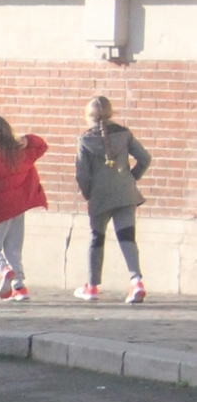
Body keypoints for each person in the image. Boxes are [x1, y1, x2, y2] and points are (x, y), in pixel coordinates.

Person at [75, 94, 152, 303]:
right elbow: (145, 158)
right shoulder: (124, 134)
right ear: (111, 113)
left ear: (88, 116)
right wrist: (131, 178)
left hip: (100, 197)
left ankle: (91, 286)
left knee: (96, 239)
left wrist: (88, 193)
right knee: (127, 236)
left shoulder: (84, 140)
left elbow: (82, 174)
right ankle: (136, 281)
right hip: (125, 193)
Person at [0, 115, 47, 302]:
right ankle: (19, 287)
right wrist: (27, 139)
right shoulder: (23, 154)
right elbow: (41, 145)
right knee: (14, 248)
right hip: (19, 206)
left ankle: (3, 270)